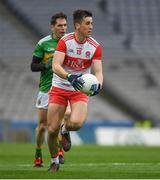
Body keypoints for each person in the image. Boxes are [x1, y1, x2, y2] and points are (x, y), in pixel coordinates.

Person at [47, 9, 103, 172]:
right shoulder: (65, 41)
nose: (91, 26)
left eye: (91, 23)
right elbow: (55, 65)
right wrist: (69, 76)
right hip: (59, 87)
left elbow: (98, 71)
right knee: (51, 130)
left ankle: (65, 130)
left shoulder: (95, 46)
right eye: (87, 23)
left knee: (77, 123)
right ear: (78, 25)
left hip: (79, 89)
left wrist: (98, 85)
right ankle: (54, 161)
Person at [31, 12, 71, 167]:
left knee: (62, 119)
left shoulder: (70, 43)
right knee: (42, 126)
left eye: (65, 25)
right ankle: (38, 153)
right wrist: (46, 65)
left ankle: (59, 151)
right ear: (52, 27)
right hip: (46, 88)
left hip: (62, 87)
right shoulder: (43, 43)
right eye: (60, 25)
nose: (63, 28)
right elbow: (33, 66)